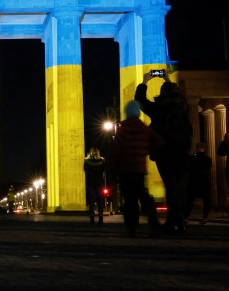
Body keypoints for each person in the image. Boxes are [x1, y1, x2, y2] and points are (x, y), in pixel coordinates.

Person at [135, 72, 193, 236]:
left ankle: (176, 221)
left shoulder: (159, 108)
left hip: (164, 152)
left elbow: (140, 101)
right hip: (182, 151)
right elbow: (179, 95)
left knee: (171, 186)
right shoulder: (182, 106)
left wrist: (145, 81)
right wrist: (168, 79)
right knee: (178, 186)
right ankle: (177, 220)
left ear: (162, 93)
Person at [110, 99, 164, 237]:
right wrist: (147, 151)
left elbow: (115, 151)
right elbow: (158, 141)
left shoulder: (122, 129)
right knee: (144, 197)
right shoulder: (144, 128)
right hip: (139, 170)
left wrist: (114, 168)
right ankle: (154, 222)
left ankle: (131, 228)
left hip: (125, 170)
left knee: (130, 201)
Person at [184, 142, 213, 225]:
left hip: (194, 181)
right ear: (205, 149)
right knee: (206, 201)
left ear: (196, 148)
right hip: (204, 181)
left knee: (189, 200)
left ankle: (186, 217)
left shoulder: (192, 158)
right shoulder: (208, 159)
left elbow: (187, 167)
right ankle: (205, 218)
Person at [83, 147, 107, 224]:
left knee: (91, 200)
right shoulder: (102, 161)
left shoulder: (87, 161)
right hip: (99, 182)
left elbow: (85, 170)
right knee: (100, 200)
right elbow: (104, 169)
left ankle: (92, 218)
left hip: (90, 182)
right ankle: (100, 217)